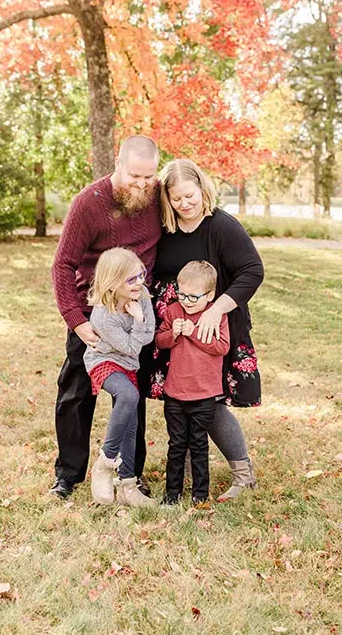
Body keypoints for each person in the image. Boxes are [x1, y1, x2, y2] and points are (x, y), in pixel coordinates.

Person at [50, 135, 161, 499]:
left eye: (149, 177)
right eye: (134, 176)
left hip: (135, 316)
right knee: (75, 395)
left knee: (133, 396)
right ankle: (68, 475)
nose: (142, 185)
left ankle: (131, 474)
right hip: (92, 318)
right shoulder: (89, 203)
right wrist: (76, 320)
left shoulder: (157, 196)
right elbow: (63, 264)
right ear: (118, 164)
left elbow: (194, 204)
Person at [151, 158, 264, 501]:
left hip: (214, 325)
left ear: (202, 189)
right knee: (179, 400)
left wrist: (216, 310)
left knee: (209, 403)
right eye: (177, 198)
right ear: (167, 200)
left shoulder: (222, 226)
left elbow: (252, 272)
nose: (185, 204)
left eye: (190, 195)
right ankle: (185, 478)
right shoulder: (164, 229)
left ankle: (243, 475)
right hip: (174, 328)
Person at [84, 248, 157, 507]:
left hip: (128, 364)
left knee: (131, 421)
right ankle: (105, 462)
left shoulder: (143, 296)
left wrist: (140, 320)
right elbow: (131, 346)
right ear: (113, 283)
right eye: (132, 279)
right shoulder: (103, 315)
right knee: (128, 395)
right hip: (103, 361)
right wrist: (139, 319)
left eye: (141, 275)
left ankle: (128, 485)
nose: (139, 282)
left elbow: (148, 337)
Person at [155, 261, 230, 504]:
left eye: (193, 297)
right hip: (175, 393)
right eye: (181, 293)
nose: (186, 300)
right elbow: (160, 341)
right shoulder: (174, 311)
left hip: (204, 394)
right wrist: (174, 333)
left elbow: (222, 347)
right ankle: (172, 493)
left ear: (210, 296)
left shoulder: (216, 317)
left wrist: (193, 333)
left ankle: (200, 494)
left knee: (198, 444)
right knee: (176, 444)